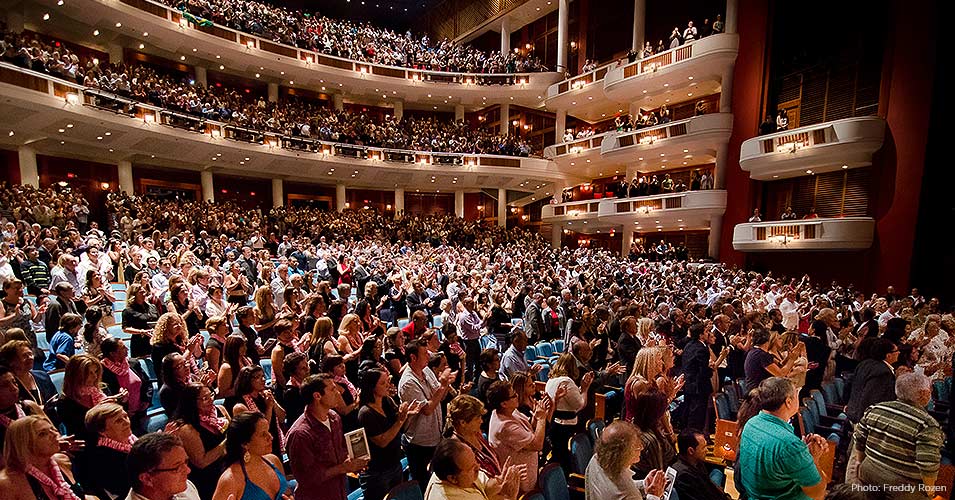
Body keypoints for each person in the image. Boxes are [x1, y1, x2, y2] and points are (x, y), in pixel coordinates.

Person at [850, 372, 943, 497]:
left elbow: (859, 441)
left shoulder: (875, 409)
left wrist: (860, 464)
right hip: (902, 487)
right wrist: (930, 491)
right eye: (929, 389)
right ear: (923, 394)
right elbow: (927, 464)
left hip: (869, 475)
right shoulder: (927, 425)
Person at [737, 377, 828, 500]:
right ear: (788, 402)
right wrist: (814, 458)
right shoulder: (789, 444)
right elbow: (817, 493)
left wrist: (802, 453)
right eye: (797, 393)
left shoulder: (751, 423)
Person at [286, 374, 368, 500]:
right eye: (332, 389)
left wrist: (351, 463)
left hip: (339, 491)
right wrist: (343, 468)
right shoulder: (300, 434)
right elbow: (307, 477)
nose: (338, 393)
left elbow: (340, 451)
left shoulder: (334, 418)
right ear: (317, 396)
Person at [356, 368, 422, 500]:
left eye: (387, 381)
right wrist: (401, 419)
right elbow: (382, 441)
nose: (388, 385)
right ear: (372, 387)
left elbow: (400, 429)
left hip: (394, 464)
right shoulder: (366, 413)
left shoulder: (387, 402)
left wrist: (408, 416)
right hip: (377, 472)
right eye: (383, 383)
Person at [398, 338, 453, 490]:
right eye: (424, 353)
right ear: (413, 357)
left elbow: (439, 396)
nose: (429, 356)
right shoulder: (408, 382)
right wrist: (443, 385)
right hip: (419, 443)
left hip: (435, 436)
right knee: (425, 484)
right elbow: (427, 409)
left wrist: (446, 384)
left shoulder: (426, 370)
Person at [0, 415, 88, 500]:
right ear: (24, 443)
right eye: (42, 434)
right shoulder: (7, 484)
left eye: (52, 429)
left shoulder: (61, 461)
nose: (54, 434)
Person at [166, 384, 229, 499]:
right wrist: (227, 441)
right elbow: (202, 462)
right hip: (208, 477)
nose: (210, 400)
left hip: (228, 464)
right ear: (192, 402)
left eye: (210, 395)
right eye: (204, 399)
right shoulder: (187, 428)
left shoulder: (220, 410)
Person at [486, 380, 549, 493]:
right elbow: (537, 445)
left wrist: (536, 416)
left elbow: (528, 428)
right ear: (504, 404)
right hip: (521, 481)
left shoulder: (510, 411)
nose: (518, 396)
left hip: (529, 472)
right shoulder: (505, 426)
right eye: (513, 395)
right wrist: (541, 419)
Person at [211, 411, 289, 500]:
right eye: (263, 434)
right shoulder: (230, 480)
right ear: (245, 443)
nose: (270, 437)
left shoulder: (273, 461)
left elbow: (287, 493)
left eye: (268, 431)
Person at [585, 420, 666, 500]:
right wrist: (654, 496)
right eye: (636, 446)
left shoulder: (596, 459)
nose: (642, 447)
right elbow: (622, 491)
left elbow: (613, 489)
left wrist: (644, 485)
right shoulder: (629, 494)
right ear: (623, 453)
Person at [423, 438, 521, 500]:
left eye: (475, 461)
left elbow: (485, 489)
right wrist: (511, 497)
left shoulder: (448, 469)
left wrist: (500, 480)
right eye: (472, 467)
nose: (478, 467)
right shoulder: (446, 497)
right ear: (453, 478)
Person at [75, 403, 136, 499]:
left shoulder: (132, 440)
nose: (127, 422)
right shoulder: (99, 458)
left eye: (126, 416)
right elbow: (124, 488)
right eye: (119, 421)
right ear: (102, 431)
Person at [545, 353, 593, 473]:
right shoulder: (566, 381)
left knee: (558, 454)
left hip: (554, 423)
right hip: (565, 425)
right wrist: (585, 388)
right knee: (563, 457)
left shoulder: (551, 380)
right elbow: (580, 404)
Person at [126, 432, 202, 500]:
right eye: (177, 468)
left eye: (186, 462)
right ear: (147, 479)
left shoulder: (186, 487)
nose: (188, 470)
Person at [100, 337, 152, 435]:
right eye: (123, 348)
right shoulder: (102, 371)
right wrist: (124, 409)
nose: (127, 349)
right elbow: (105, 396)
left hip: (140, 412)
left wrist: (146, 400)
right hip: (120, 416)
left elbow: (147, 383)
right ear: (112, 353)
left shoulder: (133, 363)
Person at [845, 338, 898, 423]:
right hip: (864, 420)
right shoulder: (883, 373)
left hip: (852, 413)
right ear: (888, 355)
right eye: (896, 351)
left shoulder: (864, 364)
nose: (899, 353)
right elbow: (870, 399)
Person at [673, 429, 731, 500]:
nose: (707, 450)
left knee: (717, 472)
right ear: (691, 451)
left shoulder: (696, 462)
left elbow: (710, 485)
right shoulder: (684, 476)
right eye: (703, 447)